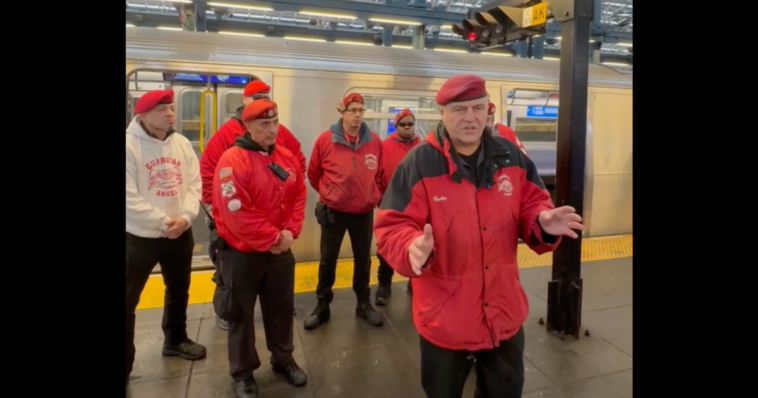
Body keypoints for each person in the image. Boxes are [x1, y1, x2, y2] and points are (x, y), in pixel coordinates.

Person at [373, 74, 584, 398]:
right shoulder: (419, 163)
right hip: (445, 320)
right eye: (459, 109)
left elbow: (533, 203)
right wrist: (410, 246)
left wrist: (541, 222)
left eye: (477, 107)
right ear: (441, 112)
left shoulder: (511, 156)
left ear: (488, 111)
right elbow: (391, 226)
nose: (470, 117)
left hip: (503, 315)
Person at [211, 99, 308, 398]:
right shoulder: (232, 161)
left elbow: (298, 195)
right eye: (264, 124)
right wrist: (274, 239)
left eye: (275, 122)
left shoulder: (286, 157)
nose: (272, 129)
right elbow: (236, 212)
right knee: (239, 315)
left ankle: (283, 359)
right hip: (242, 254)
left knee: (280, 310)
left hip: (280, 251)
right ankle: (243, 373)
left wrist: (290, 232)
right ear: (247, 127)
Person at [200, 80, 306, 331]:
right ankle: (226, 311)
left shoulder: (278, 133)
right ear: (244, 101)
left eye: (265, 96)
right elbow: (207, 170)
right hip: (238, 225)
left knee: (276, 288)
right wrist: (216, 208)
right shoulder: (226, 136)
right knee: (229, 279)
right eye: (255, 96)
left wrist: (284, 191)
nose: (271, 129)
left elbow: (298, 163)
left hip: (277, 230)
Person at [126, 89, 207, 387]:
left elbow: (194, 183)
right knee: (128, 301)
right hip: (139, 236)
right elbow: (127, 198)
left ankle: (175, 339)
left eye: (171, 108)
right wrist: (163, 222)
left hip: (179, 232)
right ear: (143, 115)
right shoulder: (128, 146)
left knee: (179, 290)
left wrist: (185, 218)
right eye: (163, 109)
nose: (171, 113)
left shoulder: (182, 143)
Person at [303, 92, 384, 330]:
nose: (358, 115)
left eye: (361, 110)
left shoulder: (373, 141)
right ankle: (322, 305)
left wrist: (374, 195)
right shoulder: (325, 140)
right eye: (353, 110)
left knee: (363, 260)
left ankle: (363, 303)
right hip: (334, 212)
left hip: (363, 212)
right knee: (328, 260)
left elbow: (379, 175)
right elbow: (314, 173)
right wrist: (330, 194)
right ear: (342, 112)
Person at [374, 108, 421, 306]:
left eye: (411, 124)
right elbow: (375, 175)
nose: (408, 128)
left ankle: (415, 284)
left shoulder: (423, 147)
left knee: (417, 246)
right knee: (387, 247)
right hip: (392, 205)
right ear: (396, 126)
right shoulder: (384, 147)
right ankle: (384, 285)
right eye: (403, 124)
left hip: (418, 207)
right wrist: (380, 199)